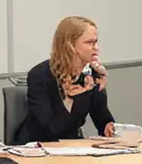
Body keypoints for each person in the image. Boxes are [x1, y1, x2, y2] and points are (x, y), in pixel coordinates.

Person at [17, 15, 116, 143]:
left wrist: (110, 127)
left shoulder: (92, 74)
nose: (96, 48)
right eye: (89, 42)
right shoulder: (39, 75)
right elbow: (51, 129)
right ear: (70, 45)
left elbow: (102, 119)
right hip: (38, 146)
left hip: (72, 146)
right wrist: (71, 99)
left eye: (96, 42)